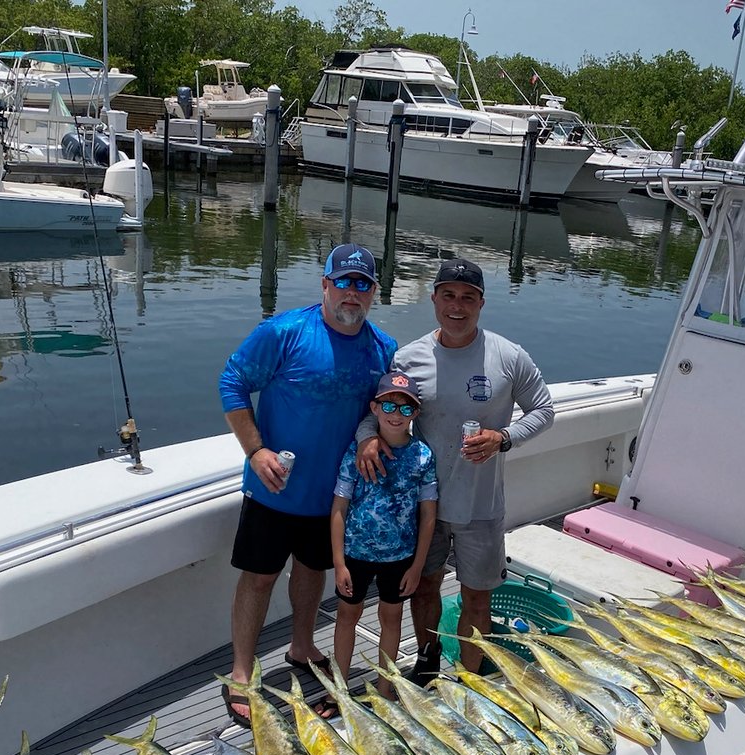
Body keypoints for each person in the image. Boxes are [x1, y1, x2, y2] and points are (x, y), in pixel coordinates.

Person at [218, 243, 396, 726]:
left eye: (363, 284)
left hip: (335, 496)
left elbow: (384, 411)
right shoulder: (283, 332)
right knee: (258, 578)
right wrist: (256, 451)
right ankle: (240, 672)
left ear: (374, 292)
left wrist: (371, 439)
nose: (352, 293)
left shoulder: (384, 348)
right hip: (274, 486)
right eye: (344, 281)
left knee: (312, 570)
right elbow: (232, 382)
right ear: (325, 285)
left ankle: (301, 645)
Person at [356, 257, 554, 678]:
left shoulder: (509, 356)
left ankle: (470, 673)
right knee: (424, 586)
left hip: (480, 504)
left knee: (476, 597)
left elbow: (544, 410)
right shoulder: (408, 358)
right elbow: (379, 410)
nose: (457, 306)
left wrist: (503, 438)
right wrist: (366, 438)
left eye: (468, 297)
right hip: (420, 505)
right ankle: (427, 663)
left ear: (481, 303)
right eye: (448, 295)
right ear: (434, 299)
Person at [329, 372, 437, 710]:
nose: (395, 415)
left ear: (415, 415)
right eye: (388, 405)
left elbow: (429, 515)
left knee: (392, 619)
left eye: (405, 410)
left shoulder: (423, 456)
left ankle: (386, 689)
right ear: (374, 408)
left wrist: (418, 565)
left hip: (400, 557)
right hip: (355, 555)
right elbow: (339, 507)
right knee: (348, 616)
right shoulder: (355, 452)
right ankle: (338, 688)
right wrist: (339, 562)